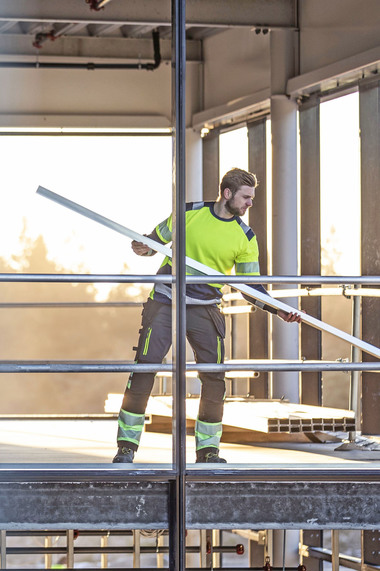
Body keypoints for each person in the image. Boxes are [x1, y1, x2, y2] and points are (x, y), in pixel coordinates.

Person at [113, 167, 301, 464]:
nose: (250, 204)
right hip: (166, 301)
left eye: (252, 198)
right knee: (145, 369)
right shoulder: (188, 213)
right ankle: (126, 446)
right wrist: (142, 247)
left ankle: (208, 451)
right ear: (227, 194)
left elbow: (251, 288)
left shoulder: (245, 238)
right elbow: (153, 243)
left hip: (205, 308)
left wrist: (279, 310)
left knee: (214, 378)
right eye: (246, 197)